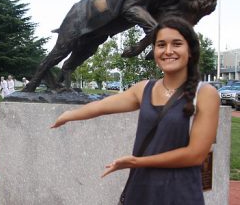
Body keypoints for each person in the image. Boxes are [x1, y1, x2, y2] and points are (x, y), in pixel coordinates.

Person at [51, 17, 219, 204]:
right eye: (161, 45)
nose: (168, 51)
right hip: (140, 190)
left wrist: (137, 162)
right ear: (154, 51)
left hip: (179, 193)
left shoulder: (205, 94)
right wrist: (69, 115)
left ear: (190, 51)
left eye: (177, 44)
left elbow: (195, 155)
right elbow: (101, 106)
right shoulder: (143, 88)